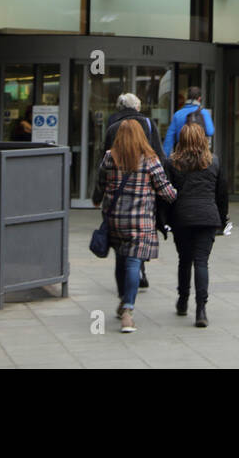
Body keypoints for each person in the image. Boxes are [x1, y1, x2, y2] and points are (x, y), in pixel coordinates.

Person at [93, 119, 177, 333]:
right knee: (133, 262)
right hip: (140, 221)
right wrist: (179, 195)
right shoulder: (150, 160)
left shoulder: (110, 157)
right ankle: (128, 311)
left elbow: (100, 183)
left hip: (116, 220)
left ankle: (123, 299)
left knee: (121, 260)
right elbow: (165, 190)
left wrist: (96, 199)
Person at [164, 121, 228, 327]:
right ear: (203, 139)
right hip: (207, 217)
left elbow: (167, 195)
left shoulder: (172, 163)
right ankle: (201, 309)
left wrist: (164, 221)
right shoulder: (214, 162)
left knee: (184, 260)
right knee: (201, 262)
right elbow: (222, 194)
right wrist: (222, 218)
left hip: (182, 217)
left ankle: (183, 300)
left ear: (181, 140)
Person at [105, 93, 163, 289]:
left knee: (120, 241)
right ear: (137, 106)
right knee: (141, 232)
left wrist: (100, 192)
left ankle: (125, 284)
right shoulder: (147, 124)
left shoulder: (112, 125)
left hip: (118, 194)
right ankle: (140, 269)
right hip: (143, 191)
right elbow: (158, 153)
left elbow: (104, 158)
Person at [164, 86, 215, 156]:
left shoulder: (178, 114)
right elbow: (210, 131)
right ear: (199, 99)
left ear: (186, 98)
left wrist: (165, 158)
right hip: (200, 155)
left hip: (182, 155)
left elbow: (169, 140)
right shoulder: (204, 112)